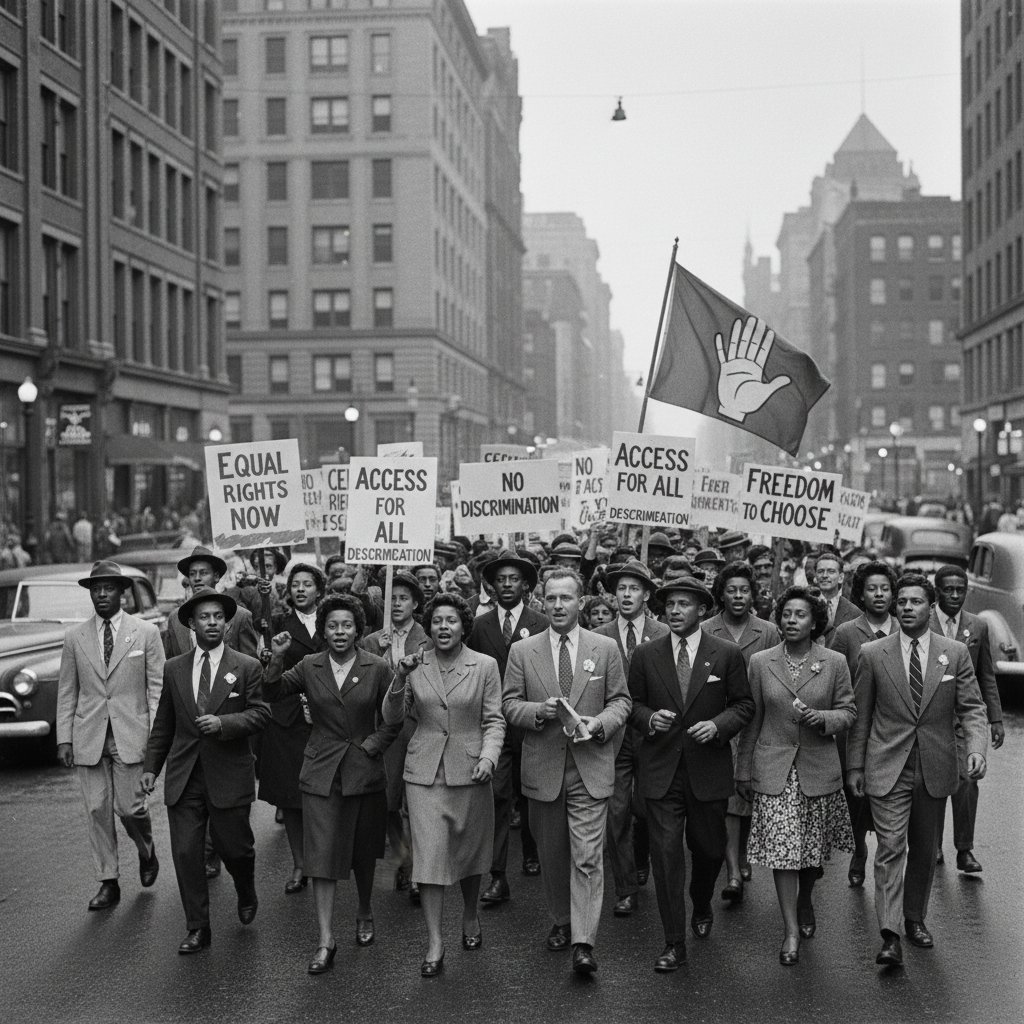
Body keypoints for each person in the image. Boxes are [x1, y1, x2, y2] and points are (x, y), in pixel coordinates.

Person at [847, 572, 989, 967]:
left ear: (931, 607)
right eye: (902, 601)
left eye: (915, 602)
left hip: (935, 766)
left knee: (924, 850)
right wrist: (855, 766)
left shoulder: (954, 653)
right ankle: (890, 934)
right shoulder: (874, 653)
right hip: (886, 764)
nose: (907, 607)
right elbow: (861, 716)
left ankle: (914, 919)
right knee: (891, 847)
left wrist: (976, 749)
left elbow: (972, 708)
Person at [502, 568, 631, 976]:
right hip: (543, 768)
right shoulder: (523, 651)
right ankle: (561, 919)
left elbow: (622, 702)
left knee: (588, 857)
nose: (559, 606)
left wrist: (600, 725)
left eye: (567, 598)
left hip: (590, 766)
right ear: (542, 601)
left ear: (581, 602)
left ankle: (583, 942)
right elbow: (507, 705)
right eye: (552, 598)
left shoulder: (605, 647)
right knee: (553, 854)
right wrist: (535, 712)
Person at [264, 595, 399, 974]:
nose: (340, 632)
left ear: (359, 630)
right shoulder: (309, 665)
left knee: (363, 852)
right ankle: (325, 939)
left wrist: (373, 746)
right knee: (320, 857)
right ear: (322, 631)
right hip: (321, 772)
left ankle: (364, 910)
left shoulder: (377, 667)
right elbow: (273, 693)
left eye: (347, 626)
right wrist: (276, 658)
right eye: (333, 626)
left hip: (364, 771)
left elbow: (394, 717)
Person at [627, 575, 752, 973]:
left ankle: (701, 900)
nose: (675, 611)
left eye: (684, 604)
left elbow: (744, 705)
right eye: (670, 605)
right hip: (662, 772)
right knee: (665, 858)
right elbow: (631, 705)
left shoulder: (726, 654)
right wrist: (649, 718)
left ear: (702, 609)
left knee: (710, 850)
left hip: (708, 769)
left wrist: (718, 726)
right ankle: (673, 942)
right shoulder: (646, 654)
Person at [141, 588, 270, 954]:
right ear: (191, 624)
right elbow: (163, 724)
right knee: (185, 853)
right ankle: (198, 927)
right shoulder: (174, 668)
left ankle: (245, 887)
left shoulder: (246, 666)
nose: (212, 623)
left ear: (227, 625)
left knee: (236, 849)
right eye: (204, 617)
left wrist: (226, 723)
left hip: (229, 773)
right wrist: (152, 767)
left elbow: (262, 714)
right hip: (185, 775)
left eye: (218, 617)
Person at [385, 593, 505, 976]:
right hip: (424, 772)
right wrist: (399, 676)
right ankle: (435, 941)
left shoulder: (485, 665)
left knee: (469, 854)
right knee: (430, 857)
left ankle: (470, 914)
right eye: (437, 621)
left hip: (471, 770)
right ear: (429, 626)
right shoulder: (414, 664)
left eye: (451, 620)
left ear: (463, 625)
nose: (443, 627)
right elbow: (391, 716)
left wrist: (488, 757)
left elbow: (494, 720)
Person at [736, 585, 856, 966]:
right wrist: (743, 770)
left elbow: (849, 712)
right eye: (786, 614)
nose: (791, 620)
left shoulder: (834, 661)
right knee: (784, 853)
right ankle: (789, 929)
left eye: (800, 615)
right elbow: (751, 720)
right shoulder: (761, 662)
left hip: (817, 767)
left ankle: (806, 898)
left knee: (811, 853)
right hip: (774, 769)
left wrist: (822, 719)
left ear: (814, 621)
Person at [56, 561, 164, 911]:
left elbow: (156, 688)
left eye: (109, 588)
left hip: (132, 734)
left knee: (130, 809)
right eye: (96, 589)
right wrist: (64, 738)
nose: (101, 594)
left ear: (123, 592)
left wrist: (155, 737)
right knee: (96, 808)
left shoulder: (145, 633)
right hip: (89, 734)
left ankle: (147, 851)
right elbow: (67, 691)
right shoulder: (75, 637)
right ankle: (108, 881)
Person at [466, 551, 548, 905]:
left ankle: (532, 851)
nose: (507, 585)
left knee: (530, 791)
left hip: (531, 720)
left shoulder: (541, 622)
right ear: (491, 585)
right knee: (498, 796)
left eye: (514, 579)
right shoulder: (479, 624)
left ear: (526, 585)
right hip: (494, 722)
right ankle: (497, 874)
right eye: (501, 580)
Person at [591, 559, 668, 918]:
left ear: (647, 594)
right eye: (621, 588)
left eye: (634, 588)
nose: (626, 595)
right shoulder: (598, 634)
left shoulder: (664, 632)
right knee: (616, 812)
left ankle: (643, 861)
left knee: (650, 811)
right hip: (614, 736)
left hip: (653, 735)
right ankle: (625, 887)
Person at [703, 561, 780, 902]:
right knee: (730, 799)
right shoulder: (705, 629)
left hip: (758, 723)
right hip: (718, 721)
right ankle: (733, 872)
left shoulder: (768, 631)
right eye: (731, 590)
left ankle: (742, 855)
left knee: (749, 795)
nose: (738, 596)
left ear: (753, 595)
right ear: (720, 594)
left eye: (744, 590)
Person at [928, 564, 1004, 872]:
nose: (956, 595)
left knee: (967, 782)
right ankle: (931, 845)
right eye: (949, 589)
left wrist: (995, 718)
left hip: (963, 719)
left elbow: (986, 674)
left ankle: (964, 849)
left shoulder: (978, 626)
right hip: (929, 718)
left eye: (961, 589)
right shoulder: (923, 620)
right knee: (930, 785)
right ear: (937, 592)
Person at [829, 560, 898, 887]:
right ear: (862, 593)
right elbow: (833, 677)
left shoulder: (904, 629)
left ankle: (889, 857)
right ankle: (858, 853)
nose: (879, 594)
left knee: (890, 796)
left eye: (885, 588)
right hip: (856, 729)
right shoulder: (846, 633)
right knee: (857, 798)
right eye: (872, 589)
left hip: (893, 731)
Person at [359, 572, 428, 896]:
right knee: (388, 803)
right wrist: (377, 656)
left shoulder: (428, 638)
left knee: (415, 803)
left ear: (415, 603)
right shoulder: (371, 640)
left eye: (404, 598)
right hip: (385, 731)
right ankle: (401, 857)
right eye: (392, 598)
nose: (397, 603)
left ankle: (416, 871)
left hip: (418, 728)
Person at [260, 563, 326, 894]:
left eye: (307, 584)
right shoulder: (277, 626)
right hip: (288, 718)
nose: (300, 589)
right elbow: (269, 676)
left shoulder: (334, 622)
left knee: (326, 794)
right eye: (295, 584)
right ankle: (300, 863)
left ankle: (325, 861)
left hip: (327, 717)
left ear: (319, 589)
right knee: (291, 796)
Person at [164, 547, 259, 659]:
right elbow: (171, 666)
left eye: (204, 573)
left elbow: (251, 670)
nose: (197, 578)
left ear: (216, 577)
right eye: (192, 574)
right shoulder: (176, 618)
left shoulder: (240, 617)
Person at [814, 549, 858, 643]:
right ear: (815, 577)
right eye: (820, 571)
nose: (825, 575)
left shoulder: (854, 612)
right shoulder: (805, 604)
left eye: (831, 571)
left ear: (841, 578)